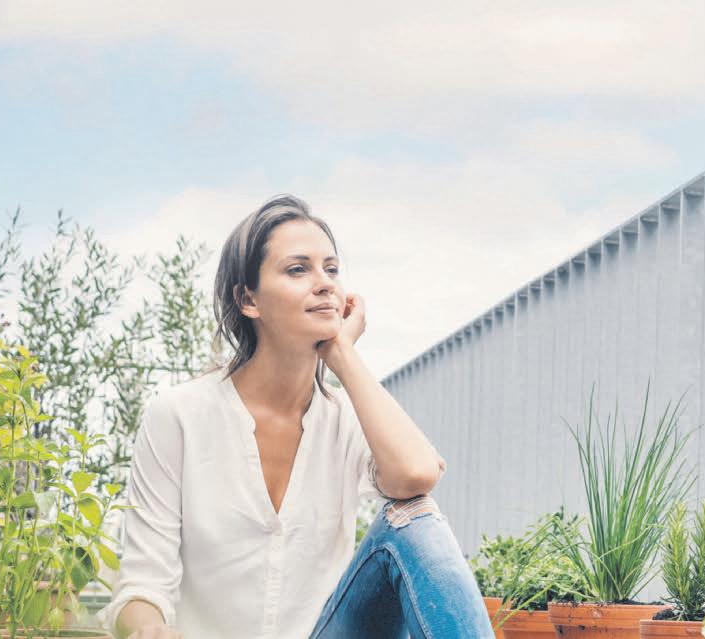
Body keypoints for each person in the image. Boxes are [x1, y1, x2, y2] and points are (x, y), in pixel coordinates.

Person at [100, 194, 495, 638]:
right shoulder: (178, 416)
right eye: (297, 269)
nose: (324, 283)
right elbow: (142, 586)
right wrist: (150, 630)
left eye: (332, 269)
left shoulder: (346, 418)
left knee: (415, 517)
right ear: (248, 299)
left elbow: (416, 476)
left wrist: (343, 356)